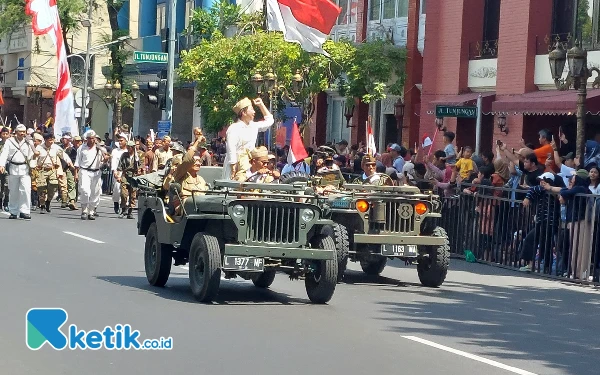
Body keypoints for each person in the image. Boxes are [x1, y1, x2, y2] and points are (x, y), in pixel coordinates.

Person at [223, 97, 274, 180]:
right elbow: (231, 149)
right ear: (243, 112)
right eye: (252, 109)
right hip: (236, 164)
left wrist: (261, 105)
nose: (254, 112)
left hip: (249, 163)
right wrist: (233, 167)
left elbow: (270, 121)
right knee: (233, 187)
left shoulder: (253, 126)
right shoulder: (234, 128)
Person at [0, 124, 39, 219]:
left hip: (24, 168)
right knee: (13, 191)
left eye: (24, 132)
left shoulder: (28, 142)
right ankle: (13, 211)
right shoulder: (10, 141)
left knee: (25, 190)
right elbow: (5, 153)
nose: (22, 133)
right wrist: (2, 164)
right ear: (16, 132)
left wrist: (34, 159)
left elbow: (31, 155)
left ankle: (24, 211)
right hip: (13, 167)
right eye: (20, 132)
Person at [34, 133, 72, 214]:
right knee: (41, 188)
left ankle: (48, 201)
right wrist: (33, 167)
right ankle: (42, 205)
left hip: (52, 170)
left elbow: (63, 155)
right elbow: (34, 158)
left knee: (54, 186)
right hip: (42, 170)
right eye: (50, 140)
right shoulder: (39, 148)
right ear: (45, 140)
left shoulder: (55, 147)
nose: (51, 142)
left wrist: (69, 162)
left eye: (52, 140)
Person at [75, 130, 105, 220]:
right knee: (85, 190)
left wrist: (106, 159)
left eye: (93, 138)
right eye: (90, 138)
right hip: (84, 171)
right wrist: (75, 174)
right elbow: (77, 162)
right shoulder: (81, 148)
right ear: (87, 139)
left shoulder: (100, 149)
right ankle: (84, 210)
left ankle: (91, 211)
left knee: (95, 192)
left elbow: (104, 162)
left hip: (96, 172)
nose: (92, 140)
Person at [117, 141, 142, 219]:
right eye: (127, 147)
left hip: (134, 176)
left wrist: (139, 170)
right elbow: (120, 166)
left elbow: (141, 166)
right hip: (125, 175)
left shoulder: (137, 156)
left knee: (133, 195)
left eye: (130, 147)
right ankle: (123, 209)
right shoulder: (124, 155)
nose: (128, 149)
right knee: (123, 194)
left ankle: (130, 212)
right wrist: (118, 175)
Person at [110, 133, 128, 214]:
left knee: (125, 191)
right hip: (118, 172)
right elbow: (113, 162)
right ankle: (116, 203)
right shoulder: (115, 151)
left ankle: (124, 206)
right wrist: (114, 171)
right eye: (119, 140)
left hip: (126, 173)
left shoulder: (129, 151)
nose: (120, 142)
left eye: (122, 140)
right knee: (117, 189)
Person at [0, 126, 10, 211]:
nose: (5, 135)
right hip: (0, 167)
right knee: (0, 186)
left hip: (8, 168)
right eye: (3, 134)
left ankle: (6, 202)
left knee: (7, 186)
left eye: (7, 134)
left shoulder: (11, 145)